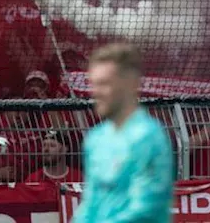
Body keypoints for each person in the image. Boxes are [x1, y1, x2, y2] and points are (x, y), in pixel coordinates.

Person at [74, 42, 174, 223]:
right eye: (94, 84)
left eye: (104, 84)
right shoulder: (95, 139)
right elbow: (90, 202)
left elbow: (146, 207)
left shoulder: (149, 137)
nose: (95, 92)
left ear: (130, 85)